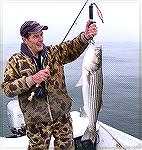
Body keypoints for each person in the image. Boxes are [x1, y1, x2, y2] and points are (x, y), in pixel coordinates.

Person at [1, 20, 97, 150]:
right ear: (25, 39)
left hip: (62, 116)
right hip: (36, 122)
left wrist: (85, 36)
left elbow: (72, 47)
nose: (40, 39)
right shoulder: (15, 61)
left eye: (41, 35)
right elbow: (7, 88)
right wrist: (31, 79)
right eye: (35, 36)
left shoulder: (54, 52)